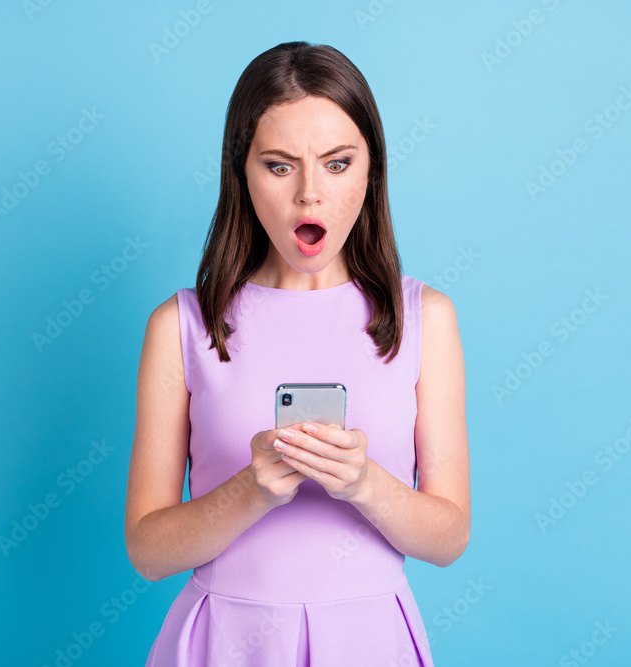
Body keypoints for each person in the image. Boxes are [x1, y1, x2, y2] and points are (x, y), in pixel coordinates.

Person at [124, 40, 470, 666]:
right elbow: (148, 550)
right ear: (242, 172)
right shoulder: (180, 326)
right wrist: (250, 491)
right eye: (279, 166)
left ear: (372, 169)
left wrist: (364, 483)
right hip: (224, 642)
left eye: (337, 163)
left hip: (367, 643)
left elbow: (448, 537)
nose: (310, 196)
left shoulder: (427, 320)